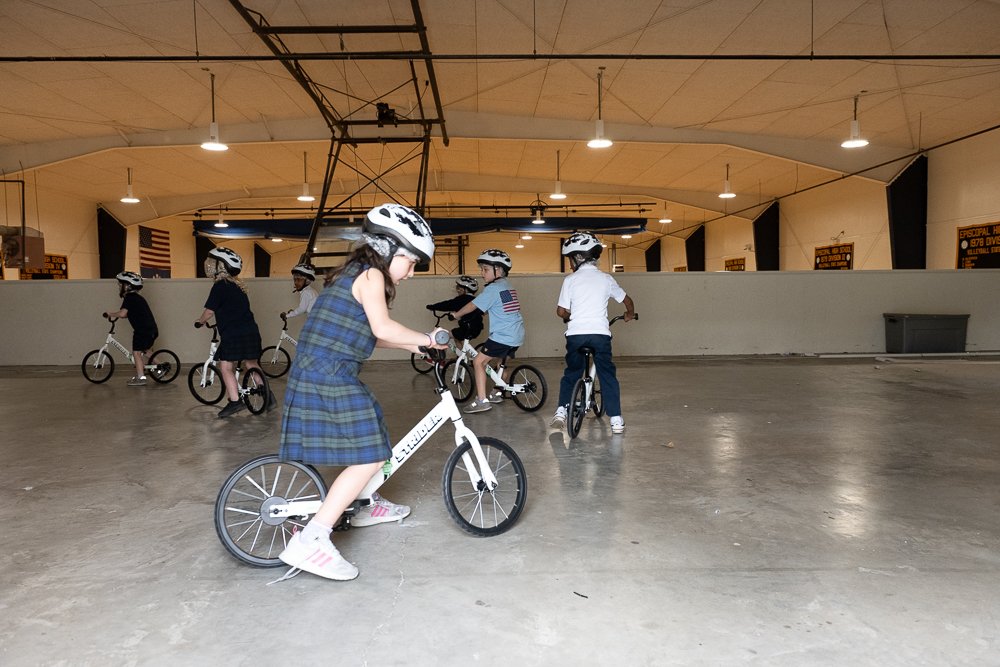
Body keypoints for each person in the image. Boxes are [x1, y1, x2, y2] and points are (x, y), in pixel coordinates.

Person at [276, 203, 448, 582]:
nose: (411, 272)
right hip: (327, 373)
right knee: (369, 454)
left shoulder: (356, 274)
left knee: (374, 433)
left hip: (327, 369)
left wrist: (416, 346)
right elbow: (382, 329)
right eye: (410, 262)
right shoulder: (370, 275)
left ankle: (365, 503)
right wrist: (426, 338)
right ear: (387, 249)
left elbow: (370, 333)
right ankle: (312, 539)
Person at [550, 232, 635, 434]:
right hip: (600, 335)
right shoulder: (606, 279)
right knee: (607, 374)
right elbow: (627, 300)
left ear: (578, 257)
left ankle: (561, 411)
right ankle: (616, 420)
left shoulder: (570, 280)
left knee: (572, 372)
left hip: (576, 335)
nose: (570, 264)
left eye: (570, 259)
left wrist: (570, 315)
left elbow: (561, 311)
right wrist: (629, 314)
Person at [194, 247, 273, 418]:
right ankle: (268, 395)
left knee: (226, 367)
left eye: (212, 263)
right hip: (251, 331)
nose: (209, 266)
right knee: (252, 364)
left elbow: (209, 311)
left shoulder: (219, 286)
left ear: (221, 266)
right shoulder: (238, 286)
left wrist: (200, 321)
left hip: (233, 334)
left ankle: (235, 401)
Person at [450, 249, 524, 414]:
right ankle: (497, 392)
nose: (482, 273)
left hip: (502, 336)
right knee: (500, 364)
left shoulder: (492, 289)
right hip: (516, 334)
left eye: (485, 269)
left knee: (478, 362)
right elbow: (501, 307)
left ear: (498, 270)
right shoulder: (506, 286)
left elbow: (472, 305)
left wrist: (457, 314)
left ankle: (482, 400)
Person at [103, 271, 158, 387]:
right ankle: (161, 366)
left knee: (136, 353)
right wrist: (120, 315)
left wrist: (110, 314)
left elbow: (123, 313)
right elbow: (127, 314)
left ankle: (141, 378)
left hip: (142, 331)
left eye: (121, 284)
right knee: (145, 350)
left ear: (128, 286)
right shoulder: (137, 298)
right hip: (150, 329)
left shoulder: (129, 298)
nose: (119, 286)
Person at [426, 275, 483, 349]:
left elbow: (447, 305)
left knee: (443, 335)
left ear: (465, 290)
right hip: (476, 328)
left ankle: (454, 354)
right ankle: (461, 355)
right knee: (456, 338)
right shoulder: (475, 300)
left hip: (467, 328)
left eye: (459, 288)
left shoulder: (462, 299)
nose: (457, 290)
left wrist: (432, 307)